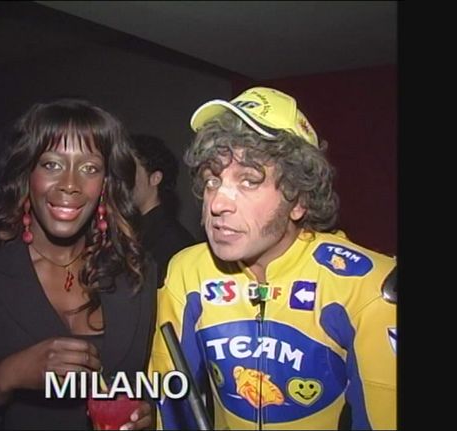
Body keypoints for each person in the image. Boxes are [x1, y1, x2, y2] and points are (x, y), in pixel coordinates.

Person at [148, 87, 396, 429]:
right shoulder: (187, 272)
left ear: (298, 200)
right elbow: (170, 408)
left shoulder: (368, 286)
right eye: (212, 180)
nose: (217, 203)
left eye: (249, 181)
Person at [0, 98, 157, 430]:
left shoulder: (135, 273)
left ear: (105, 183)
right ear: (26, 173)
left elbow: (142, 387)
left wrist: (148, 416)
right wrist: (4, 378)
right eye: (52, 164)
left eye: (89, 168)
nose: (70, 184)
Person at [129, 134, 196, 288]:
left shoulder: (173, 242)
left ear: (155, 178)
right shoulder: (130, 231)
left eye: (130, 170)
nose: (121, 178)